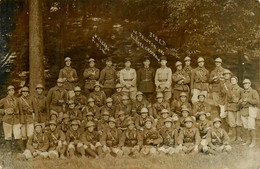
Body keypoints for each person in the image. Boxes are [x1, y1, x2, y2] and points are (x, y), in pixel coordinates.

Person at [0, 85, 23, 153]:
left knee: (18, 135)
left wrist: (21, 121)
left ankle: (21, 150)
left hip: (16, 119)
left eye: (12, 90)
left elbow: (21, 110)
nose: (11, 92)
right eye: (10, 91)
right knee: (8, 136)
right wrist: (4, 111)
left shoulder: (17, 100)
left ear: (14, 91)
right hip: (7, 120)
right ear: (7, 92)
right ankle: (9, 151)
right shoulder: (4, 100)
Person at [239, 79, 259, 148]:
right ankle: (248, 141)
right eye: (244, 84)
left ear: (250, 84)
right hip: (244, 111)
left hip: (251, 110)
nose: (245, 85)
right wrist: (241, 102)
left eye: (247, 83)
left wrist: (248, 100)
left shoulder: (253, 92)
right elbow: (241, 103)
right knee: (246, 127)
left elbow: (257, 102)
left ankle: (253, 142)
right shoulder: (243, 92)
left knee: (251, 127)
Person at [225, 76, 243, 142]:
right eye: (231, 80)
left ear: (237, 81)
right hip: (230, 107)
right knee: (232, 122)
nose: (233, 81)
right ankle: (234, 136)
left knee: (238, 122)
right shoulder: (228, 89)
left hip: (238, 107)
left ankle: (238, 137)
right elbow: (226, 99)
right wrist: (226, 109)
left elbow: (242, 98)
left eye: (234, 80)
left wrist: (239, 103)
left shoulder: (240, 89)